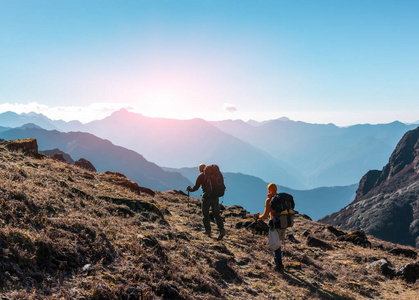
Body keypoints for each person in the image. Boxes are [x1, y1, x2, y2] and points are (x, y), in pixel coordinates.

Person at [187, 163, 226, 240]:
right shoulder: (214, 175)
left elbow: (196, 187)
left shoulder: (201, 176)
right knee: (216, 214)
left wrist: (190, 189)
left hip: (207, 197)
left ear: (200, 170)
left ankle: (208, 231)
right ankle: (221, 230)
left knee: (205, 214)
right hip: (215, 196)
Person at [255, 183, 285, 271]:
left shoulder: (269, 200)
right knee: (278, 244)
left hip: (274, 224)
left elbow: (265, 216)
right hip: (283, 224)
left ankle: (279, 264)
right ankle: (278, 261)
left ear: (269, 190)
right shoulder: (281, 199)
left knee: (276, 245)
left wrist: (258, 217)